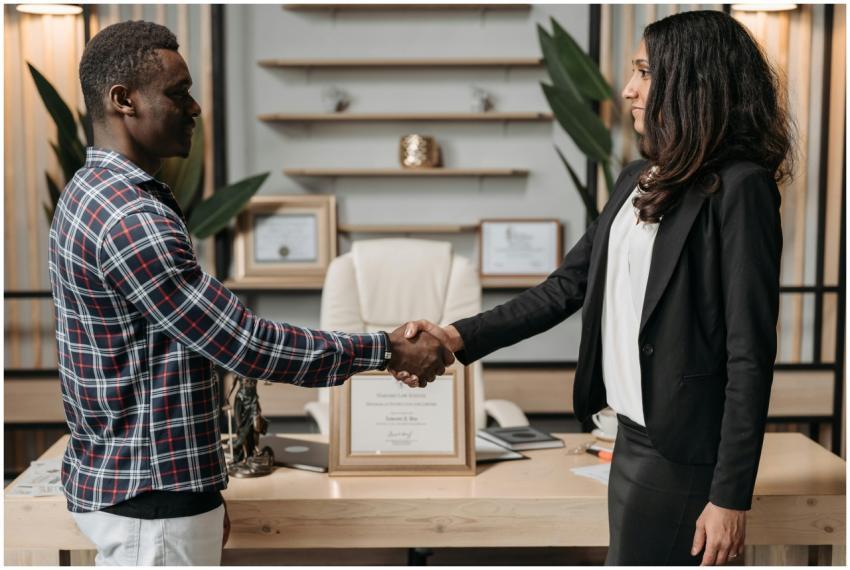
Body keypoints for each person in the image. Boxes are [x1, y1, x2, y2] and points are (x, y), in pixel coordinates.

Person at [397, 10, 792, 566]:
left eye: (644, 72)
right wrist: (454, 337)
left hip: (682, 454)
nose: (629, 89)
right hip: (628, 437)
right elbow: (564, 288)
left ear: (693, 81)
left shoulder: (741, 187)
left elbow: (750, 353)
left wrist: (730, 497)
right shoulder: (638, 178)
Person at [48, 20, 450, 566]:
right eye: (178, 93)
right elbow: (244, 343)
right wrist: (387, 349)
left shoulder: (89, 192)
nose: (194, 108)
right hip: (154, 503)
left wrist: (202, 494)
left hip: (147, 488)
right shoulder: (130, 217)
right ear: (124, 101)